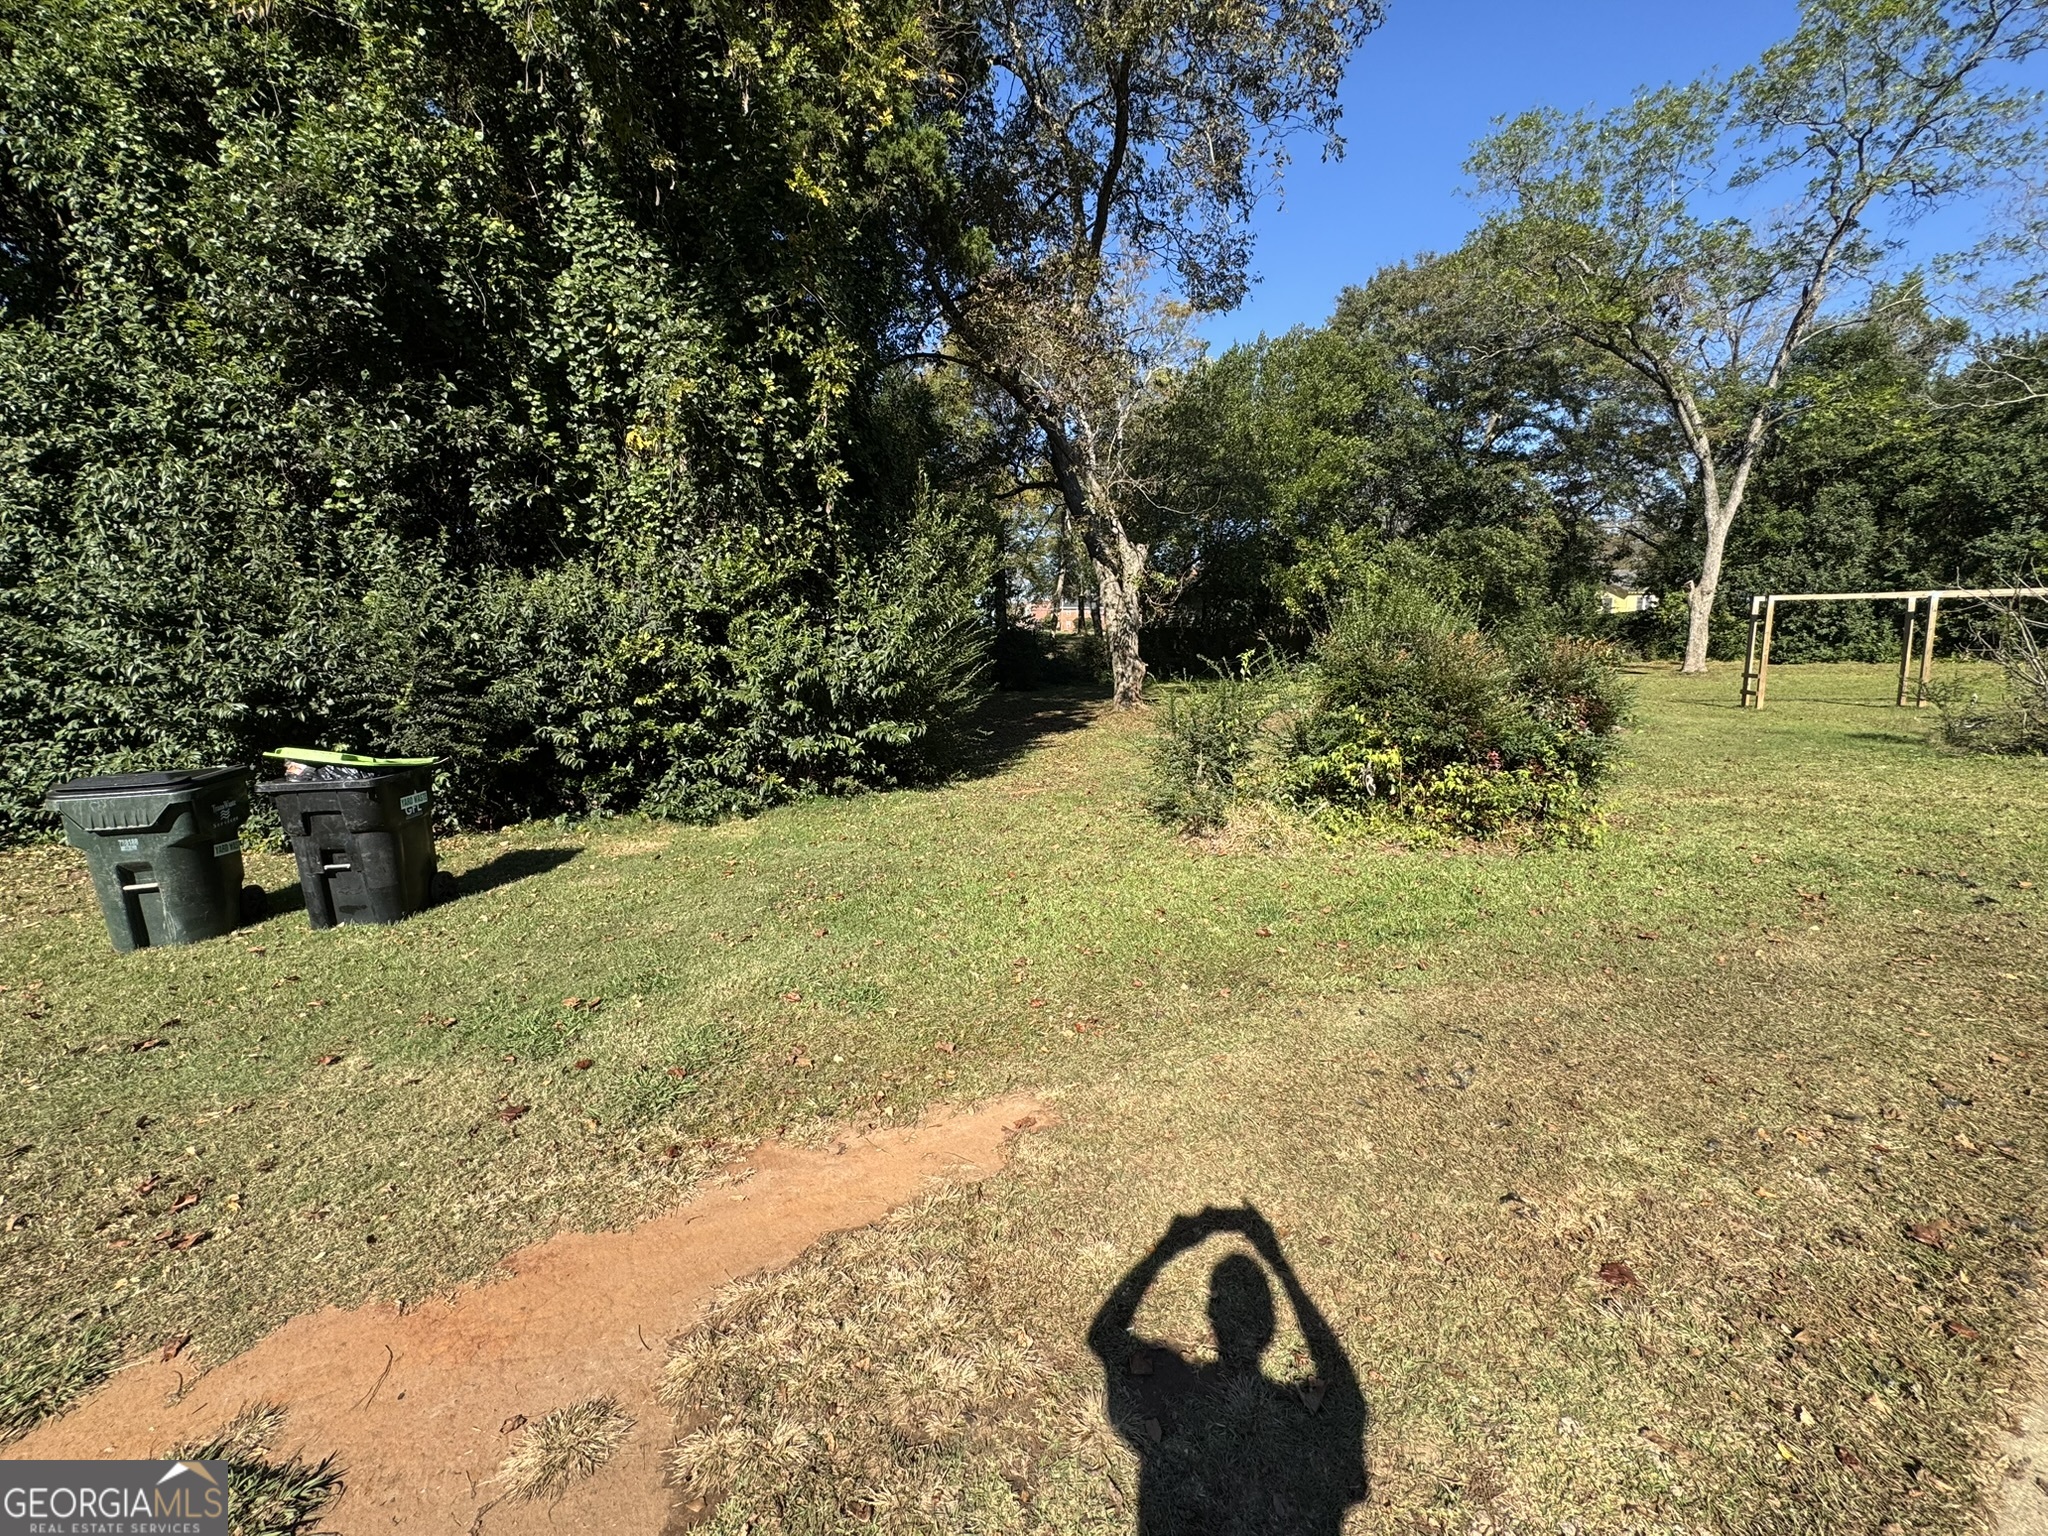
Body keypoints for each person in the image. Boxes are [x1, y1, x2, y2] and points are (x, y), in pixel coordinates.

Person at [1087, 1204, 1368, 1533]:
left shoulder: (1178, 1410)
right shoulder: (1298, 1425)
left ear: (1209, 1312)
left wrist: (1166, 1249)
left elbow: (1103, 1337)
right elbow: (1343, 1387)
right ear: (1271, 1328)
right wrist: (1279, 1264)